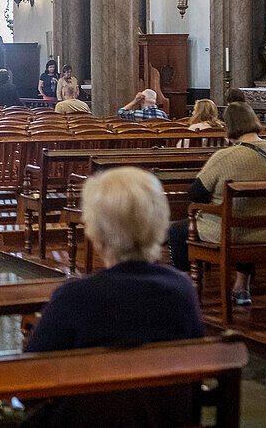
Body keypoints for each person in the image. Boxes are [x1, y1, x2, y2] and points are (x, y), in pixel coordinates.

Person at [25, 167, 203, 427]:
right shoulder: (182, 291)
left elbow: (30, 378)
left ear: (97, 234)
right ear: (159, 223)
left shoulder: (75, 298)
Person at [166, 103, 266, 305]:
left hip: (229, 232)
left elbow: (196, 194)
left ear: (229, 126)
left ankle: (183, 288)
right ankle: (241, 288)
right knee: (246, 214)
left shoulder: (225, 156)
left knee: (176, 231)